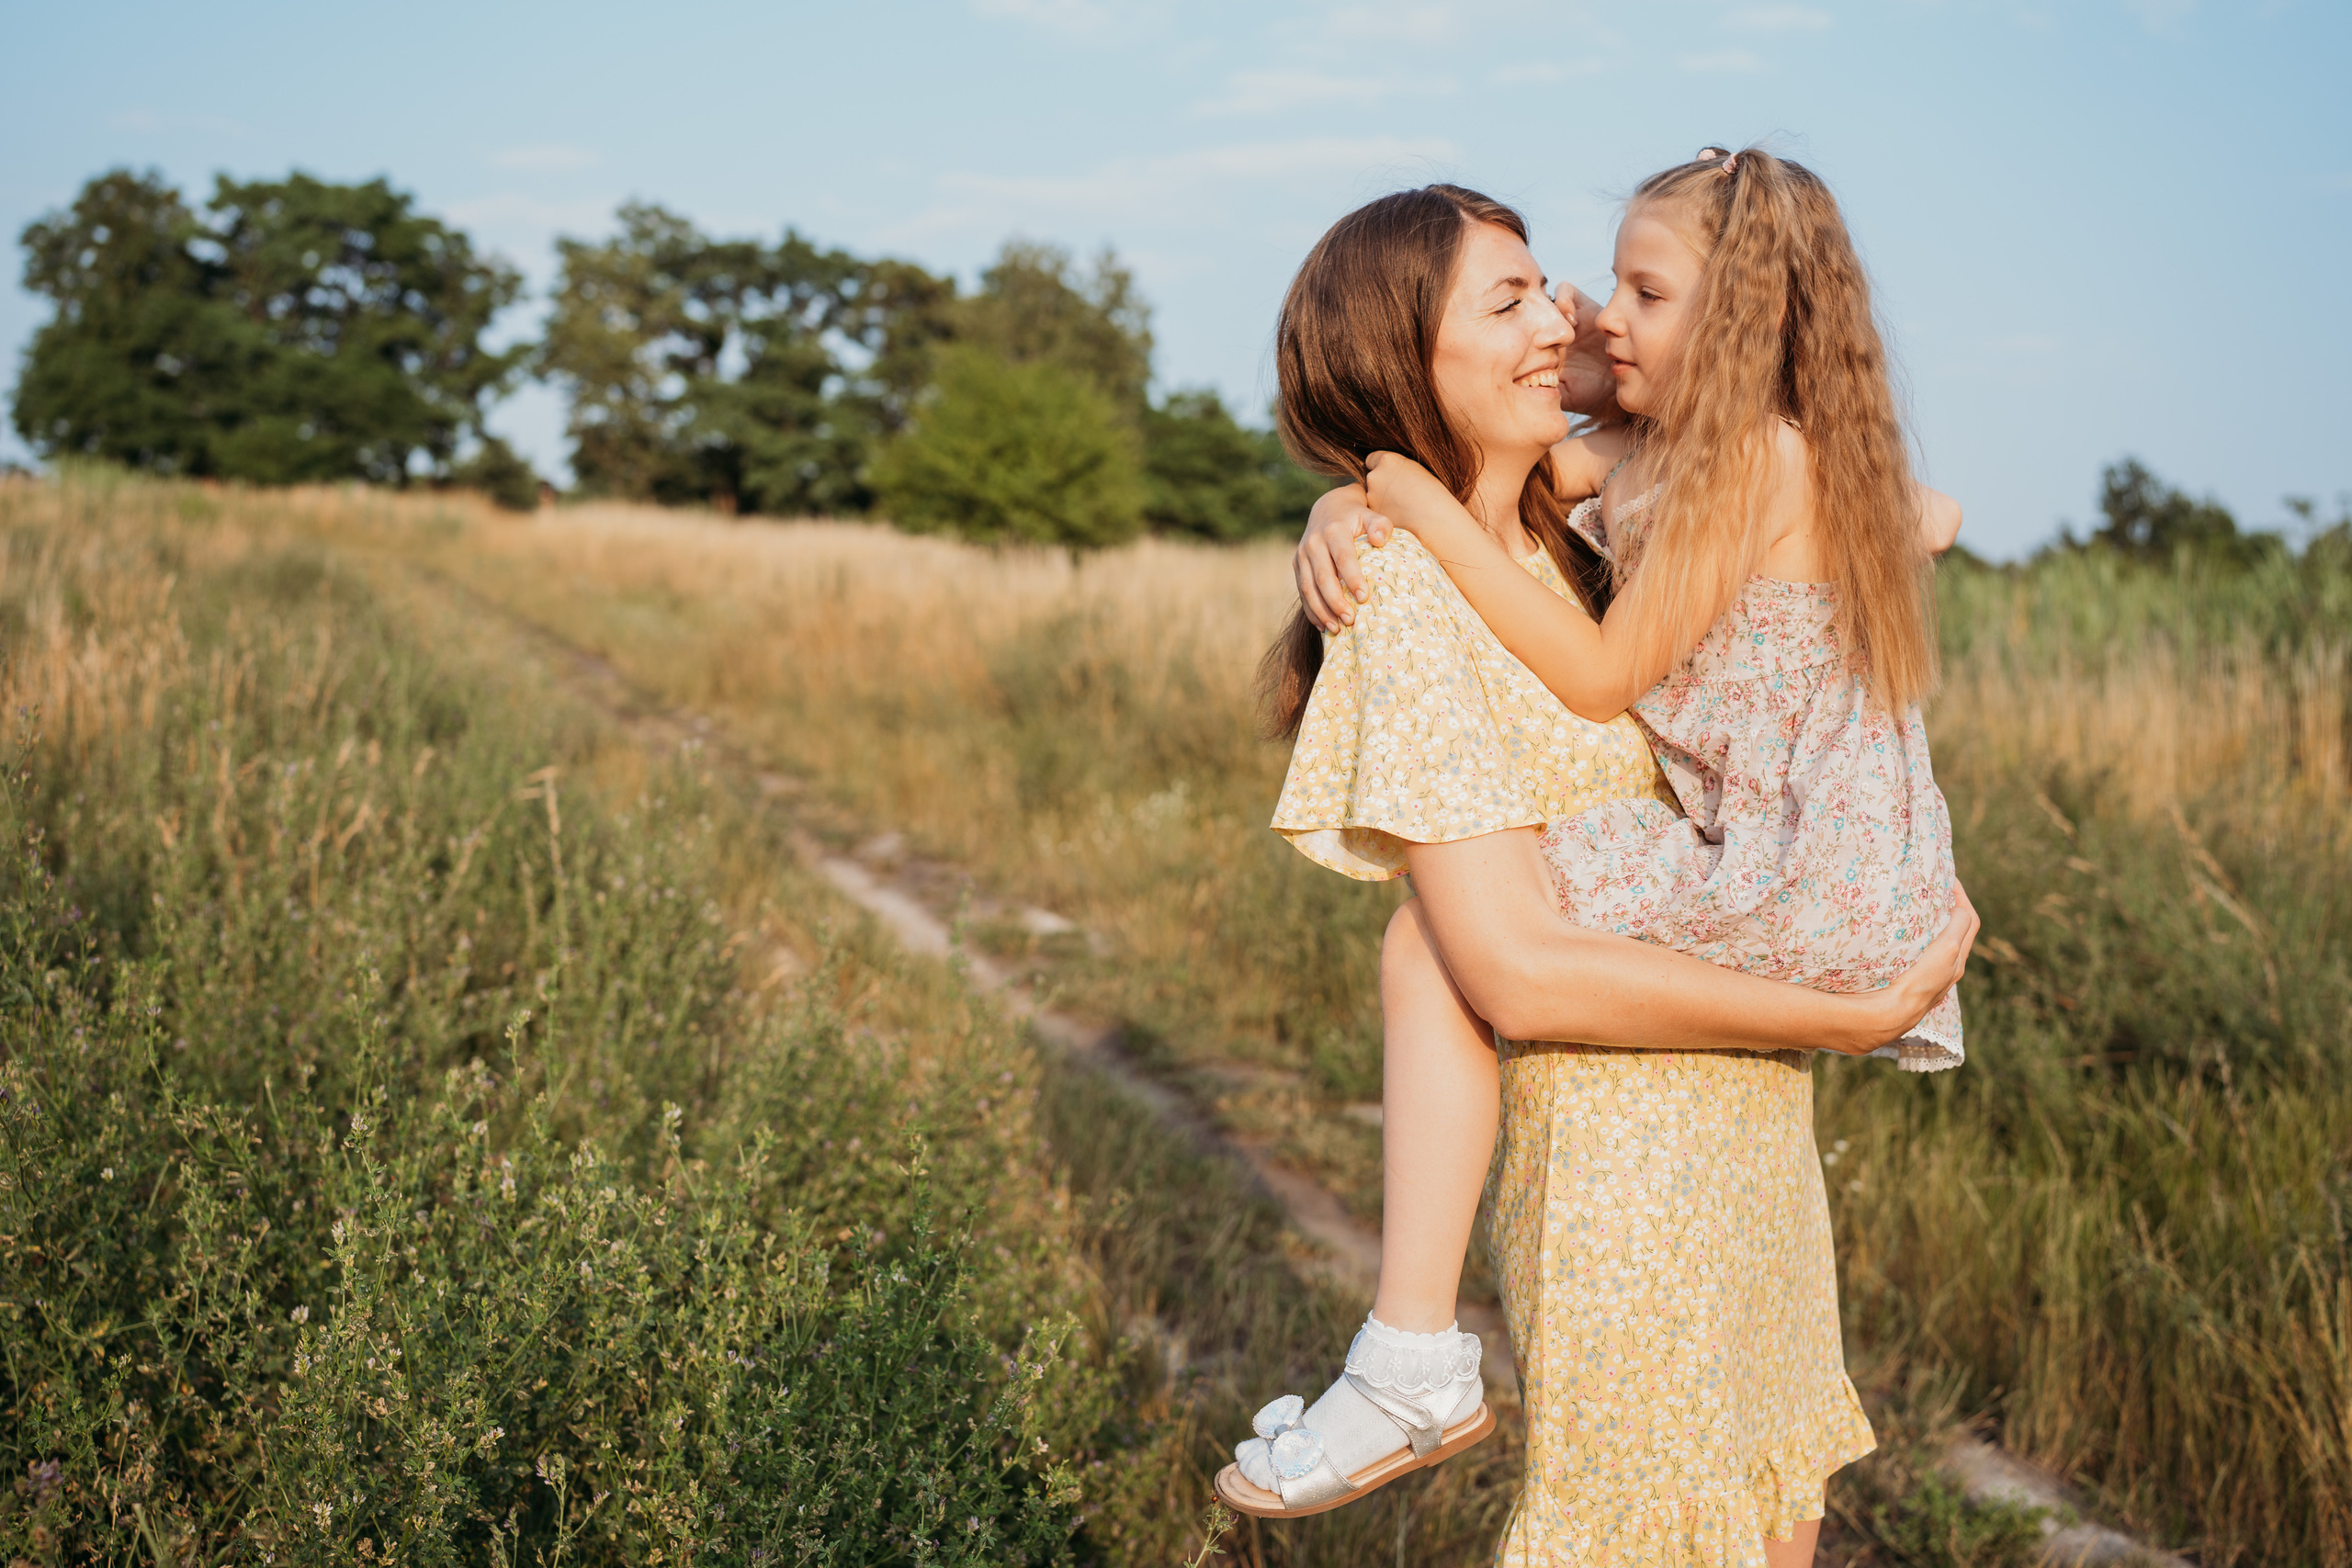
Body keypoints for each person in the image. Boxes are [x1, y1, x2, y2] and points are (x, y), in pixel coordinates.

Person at [1218, 169, 1972, 1568]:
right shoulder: (1490, 551)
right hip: (1636, 1166)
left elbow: (1624, 649)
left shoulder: (1630, 508)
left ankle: (1411, 1352)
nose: (1577, 315)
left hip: (1758, 1064)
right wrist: (1363, 498)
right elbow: (1512, 968)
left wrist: (1399, 495)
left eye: (1624, 290)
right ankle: (1409, 1353)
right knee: (1652, 1524)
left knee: (1764, 1506)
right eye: (1516, 298)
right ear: (1404, 355)